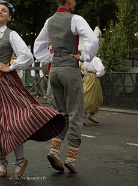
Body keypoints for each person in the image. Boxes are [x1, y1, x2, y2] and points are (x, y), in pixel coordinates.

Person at [0, 1, 65, 178]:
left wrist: (10, 67)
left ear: (9, 17)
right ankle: (2, 163)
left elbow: (27, 56)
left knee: (12, 123)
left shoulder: (10, 35)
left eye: (4, 11)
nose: (0, 12)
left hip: (4, 84)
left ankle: (20, 161)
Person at [33, 0, 99, 173]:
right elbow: (92, 40)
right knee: (76, 113)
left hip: (54, 71)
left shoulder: (49, 21)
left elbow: (37, 48)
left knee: (62, 114)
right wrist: (83, 56)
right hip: (70, 69)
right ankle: (71, 159)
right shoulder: (75, 19)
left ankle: (54, 150)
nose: (76, 2)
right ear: (69, 1)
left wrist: (52, 59)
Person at [80, 56, 105, 126]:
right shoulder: (95, 59)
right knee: (88, 97)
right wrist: (98, 74)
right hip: (92, 79)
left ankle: (89, 115)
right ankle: (84, 116)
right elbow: (101, 70)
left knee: (93, 97)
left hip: (87, 78)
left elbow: (82, 69)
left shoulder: (86, 59)